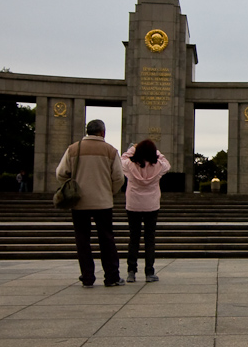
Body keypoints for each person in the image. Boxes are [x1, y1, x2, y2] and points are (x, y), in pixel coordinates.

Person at [56, 120, 125, 288]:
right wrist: (109, 191)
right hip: (103, 202)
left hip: (79, 202)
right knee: (107, 239)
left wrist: (73, 185)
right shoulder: (110, 150)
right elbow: (119, 178)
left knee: (82, 240)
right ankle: (111, 277)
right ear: (103, 132)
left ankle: (87, 277)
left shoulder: (73, 149)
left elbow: (60, 173)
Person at [121, 139, 171, 282]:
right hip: (151, 205)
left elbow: (122, 158)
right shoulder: (159, 166)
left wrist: (133, 149)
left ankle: (131, 271)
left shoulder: (130, 165)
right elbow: (167, 163)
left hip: (133, 205)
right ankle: (149, 272)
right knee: (150, 239)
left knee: (134, 238)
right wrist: (157, 152)